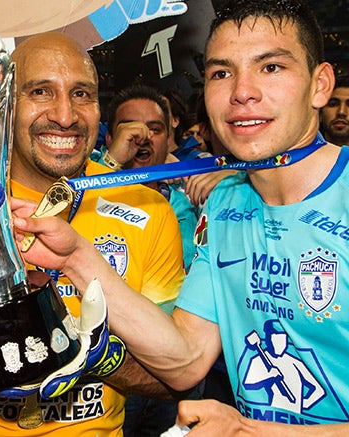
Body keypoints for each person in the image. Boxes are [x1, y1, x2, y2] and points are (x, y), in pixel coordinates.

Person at [11, 0, 349, 434]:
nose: (242, 92)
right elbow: (187, 356)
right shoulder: (232, 202)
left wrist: (262, 432)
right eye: (221, 73)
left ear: (319, 85)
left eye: (272, 67)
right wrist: (78, 258)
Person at [0, 32, 186, 436]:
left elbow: (169, 379)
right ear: (4, 104)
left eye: (82, 94)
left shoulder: (148, 209)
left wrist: (96, 352)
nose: (65, 115)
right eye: (40, 91)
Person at [99, 83, 199, 436]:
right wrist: (111, 163)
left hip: (179, 368)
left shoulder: (191, 196)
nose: (142, 138)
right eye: (129, 128)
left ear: (169, 136)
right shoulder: (84, 191)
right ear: (110, 136)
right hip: (112, 372)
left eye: (154, 130)